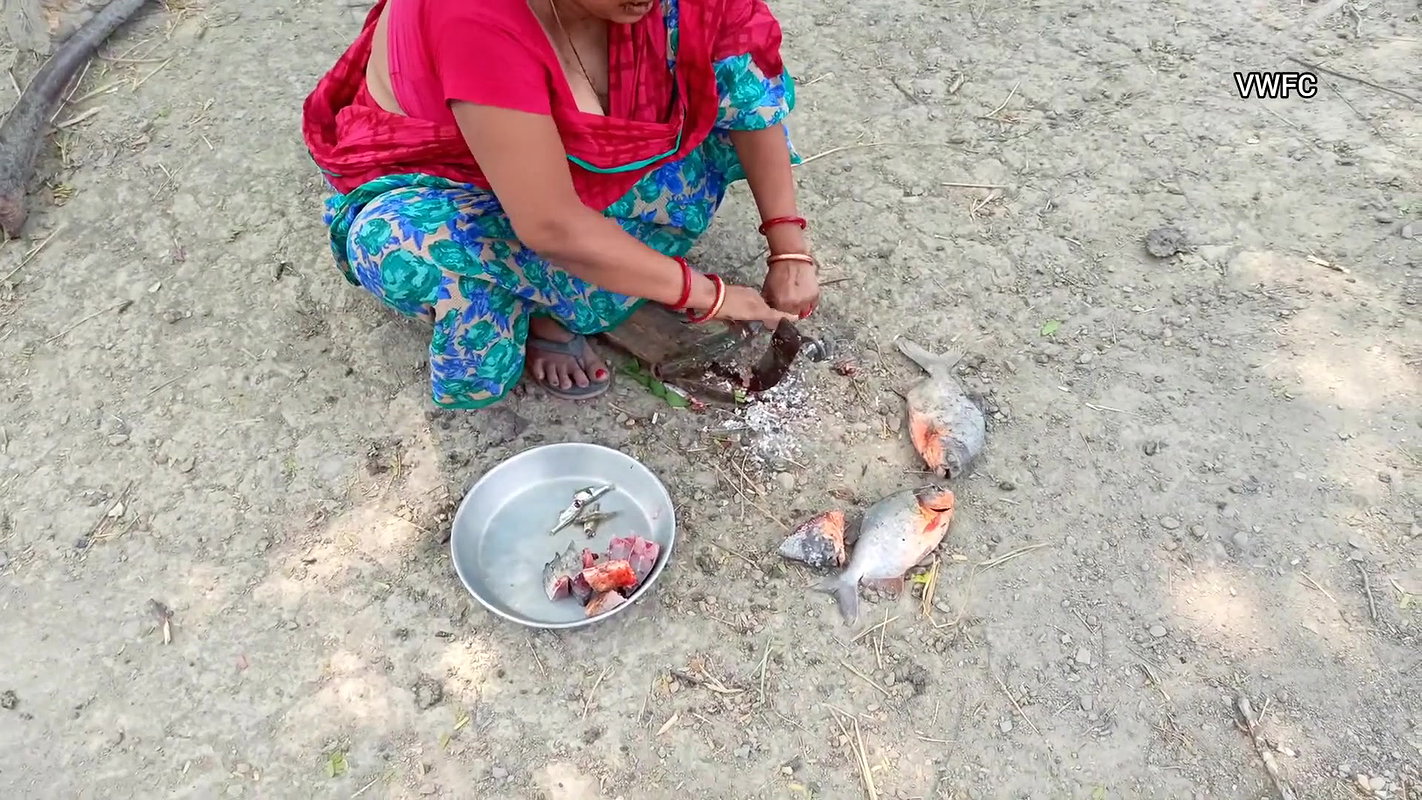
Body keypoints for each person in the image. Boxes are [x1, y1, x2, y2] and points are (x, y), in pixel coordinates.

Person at [301, 0, 820, 409]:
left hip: (573, 185)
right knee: (399, 244)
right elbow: (549, 223)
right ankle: (552, 304)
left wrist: (787, 244)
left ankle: (595, 280)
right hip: (465, 182)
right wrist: (711, 297)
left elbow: (749, 94)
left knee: (705, 86)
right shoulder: (475, 15)